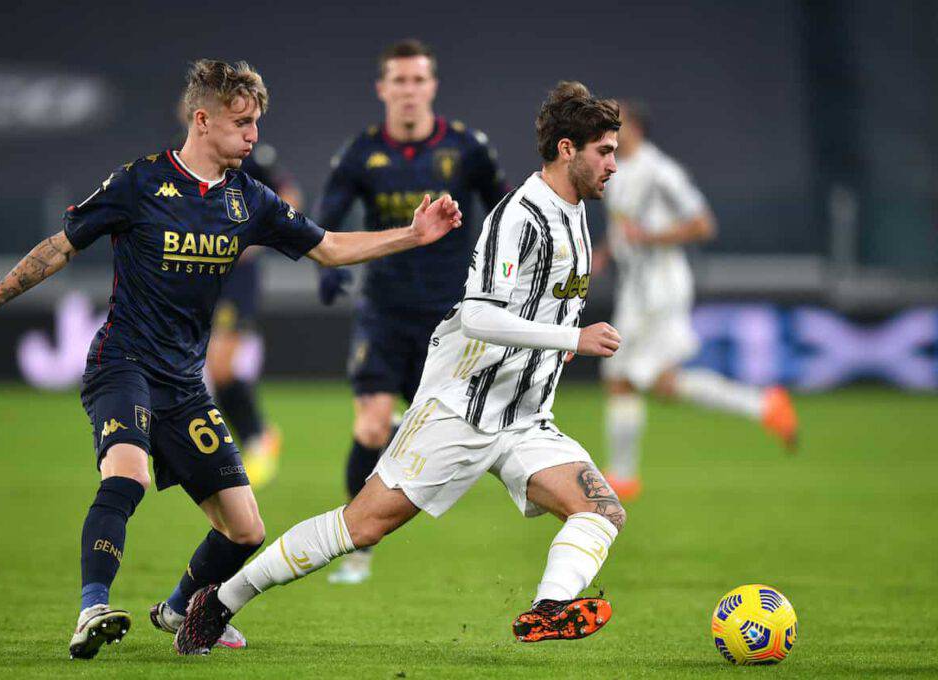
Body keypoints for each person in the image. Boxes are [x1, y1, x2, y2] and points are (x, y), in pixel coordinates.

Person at [0, 59, 462, 661]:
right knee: (126, 475)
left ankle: (179, 606)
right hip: (124, 362)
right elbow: (57, 248)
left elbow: (329, 247)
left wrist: (412, 235)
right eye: (242, 123)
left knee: (246, 530)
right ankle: (92, 608)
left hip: (184, 384)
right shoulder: (139, 183)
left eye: (257, 122)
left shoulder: (248, 198)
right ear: (203, 119)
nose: (253, 135)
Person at [174, 81, 625, 654]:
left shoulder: (578, 213)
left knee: (602, 510)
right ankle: (216, 603)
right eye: (604, 152)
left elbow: (537, 306)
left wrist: (554, 345)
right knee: (361, 526)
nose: (613, 164)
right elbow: (482, 318)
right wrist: (572, 339)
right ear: (567, 149)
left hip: (523, 418)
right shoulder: (523, 214)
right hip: (460, 408)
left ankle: (548, 607)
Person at [315, 39, 508, 584]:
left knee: (474, 432)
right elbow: (325, 217)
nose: (408, 90)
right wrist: (326, 268)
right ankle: (356, 547)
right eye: (398, 81)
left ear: (432, 86)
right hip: (384, 310)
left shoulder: (468, 148)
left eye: (418, 80)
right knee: (371, 424)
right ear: (383, 89)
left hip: (453, 316)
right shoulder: (360, 153)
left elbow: (506, 211)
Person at [595, 101, 799, 502]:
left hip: (661, 290)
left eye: (612, 125)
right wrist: (606, 251)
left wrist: (649, 238)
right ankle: (764, 405)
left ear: (633, 127)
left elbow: (703, 224)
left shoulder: (661, 172)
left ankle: (622, 477)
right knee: (662, 384)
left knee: (621, 379)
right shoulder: (617, 170)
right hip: (637, 289)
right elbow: (626, 227)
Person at [206, 147, 304, 489]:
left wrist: (259, 238)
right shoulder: (181, 152)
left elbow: (290, 195)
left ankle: (257, 437)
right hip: (198, 272)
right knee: (206, 370)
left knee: (220, 365)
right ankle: (241, 442)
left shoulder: (249, 156)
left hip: (235, 280)